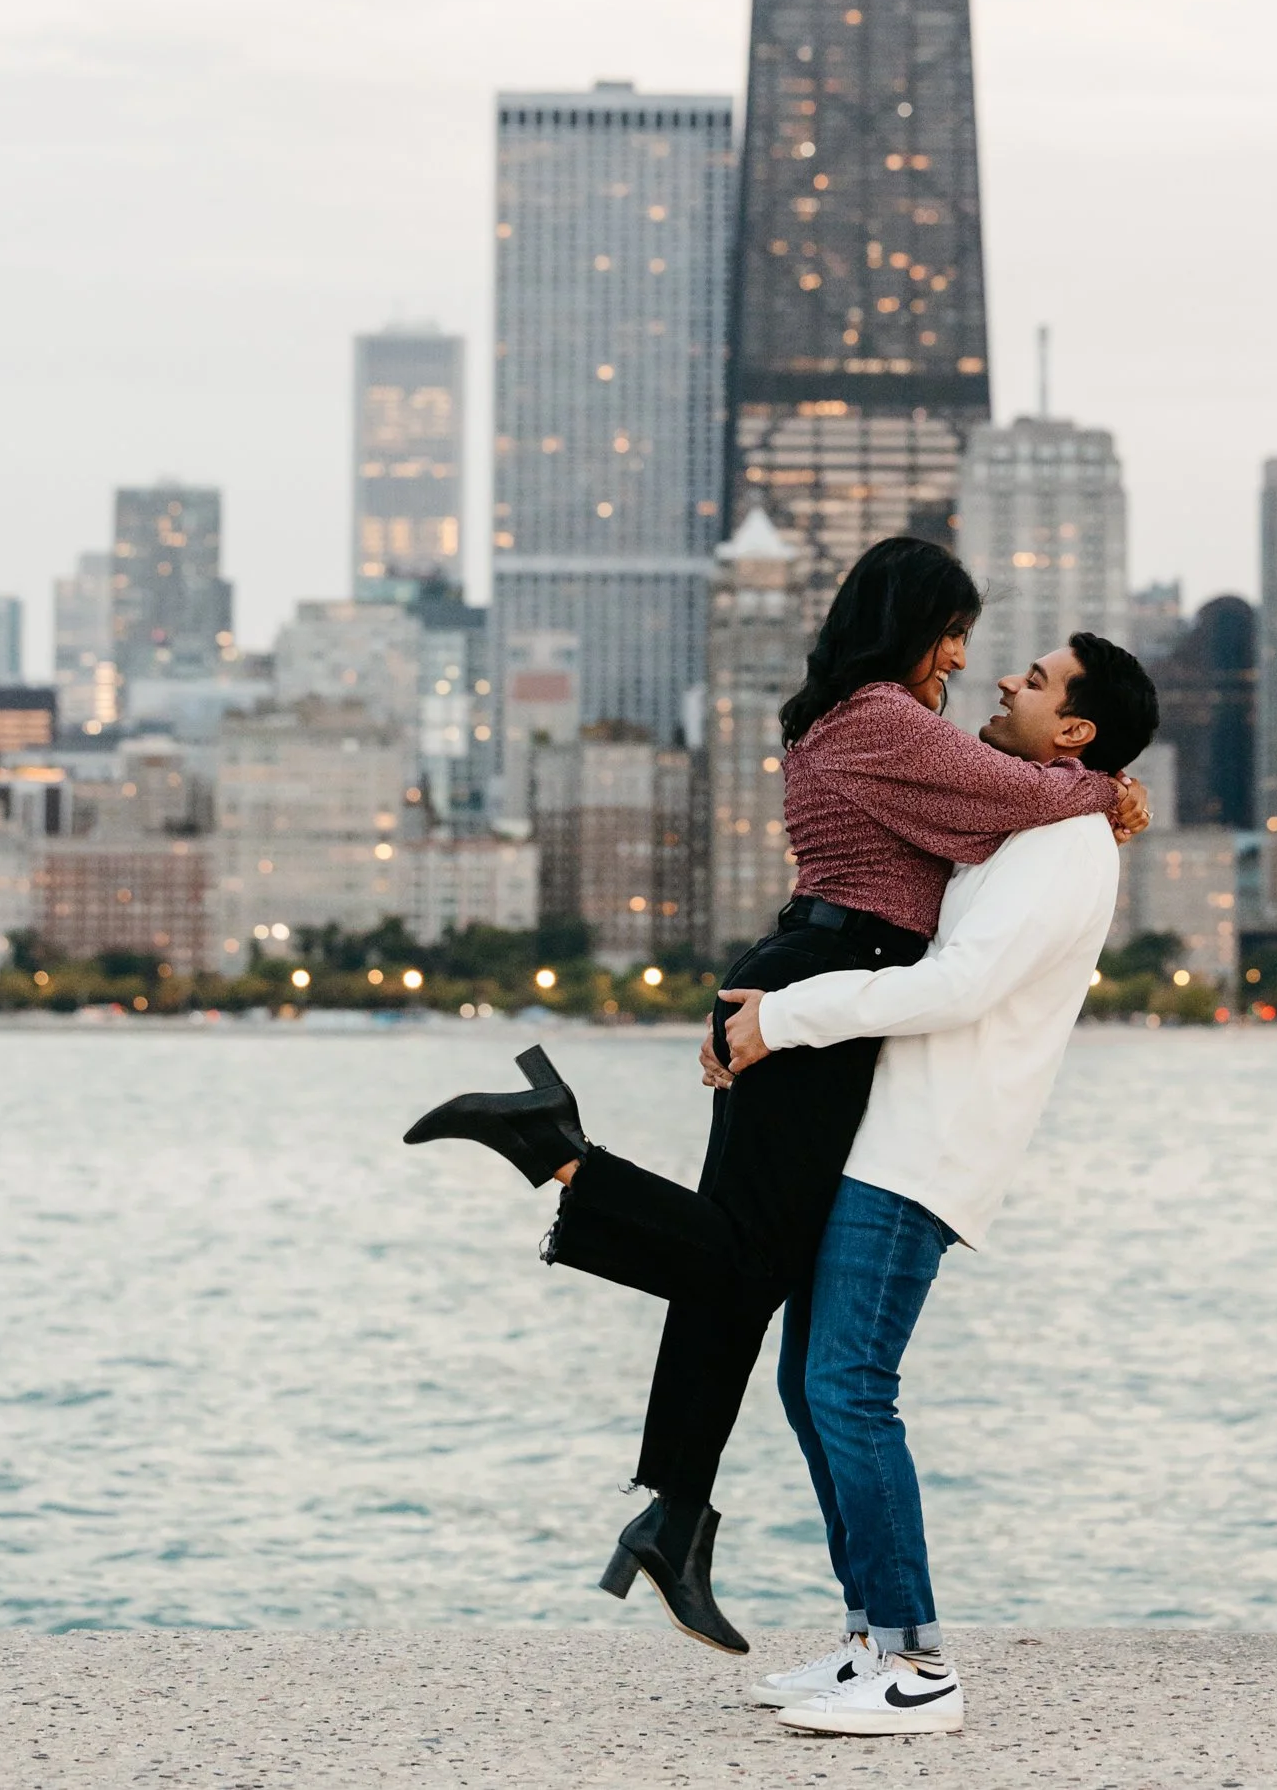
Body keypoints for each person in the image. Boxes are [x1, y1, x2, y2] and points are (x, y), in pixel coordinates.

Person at [404, 540, 1148, 1652]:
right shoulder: (885, 721)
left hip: (816, 976)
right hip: (825, 984)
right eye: (953, 631)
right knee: (747, 1261)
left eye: (1005, 659)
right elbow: (1022, 793)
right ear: (906, 625)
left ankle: (676, 1513)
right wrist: (1109, 786)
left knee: (733, 1256)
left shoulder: (853, 714)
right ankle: (557, 1154)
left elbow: (1003, 810)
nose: (970, 658)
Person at [717, 634, 1159, 1738]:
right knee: (807, 1384)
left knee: (850, 1387)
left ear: (1073, 730)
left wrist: (784, 1018)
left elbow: (958, 985)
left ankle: (917, 1664)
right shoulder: (1031, 819)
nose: (1008, 677)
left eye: (1039, 679)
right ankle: (868, 1639)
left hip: (926, 1147)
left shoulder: (1063, 843)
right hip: (883, 1131)